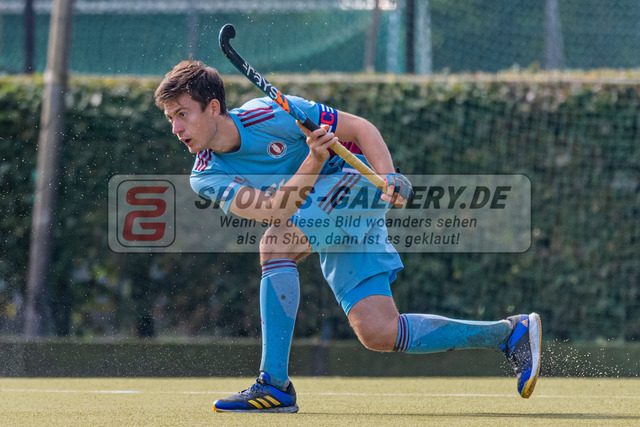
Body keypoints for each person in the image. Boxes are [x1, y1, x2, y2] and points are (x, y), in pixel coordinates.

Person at [154, 60, 542, 413]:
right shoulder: (205, 175)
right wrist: (314, 158)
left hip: (351, 186)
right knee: (378, 331)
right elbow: (273, 211)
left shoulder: (272, 112)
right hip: (319, 210)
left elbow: (359, 128)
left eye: (183, 114)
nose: (176, 128)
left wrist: (388, 175)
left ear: (214, 108)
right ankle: (510, 334)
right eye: (171, 118)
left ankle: (274, 385)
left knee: (276, 245)